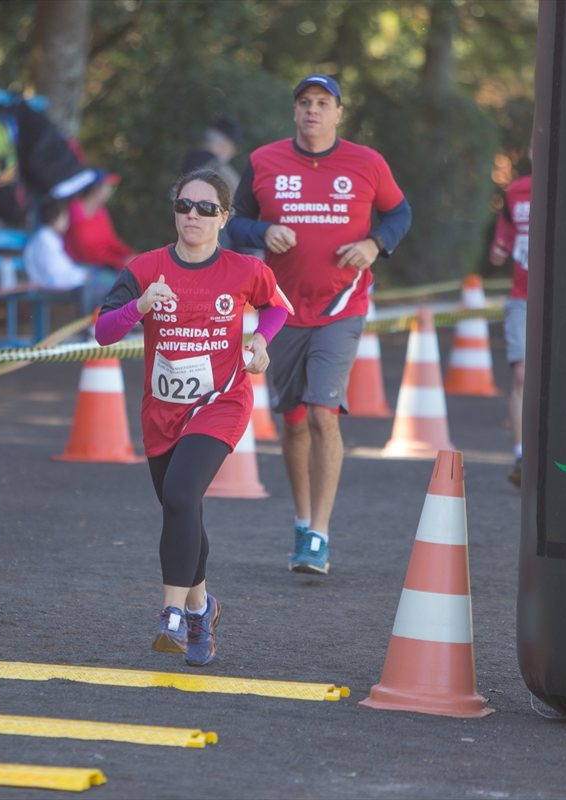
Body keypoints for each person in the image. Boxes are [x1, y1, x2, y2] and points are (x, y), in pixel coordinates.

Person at [94, 168, 293, 667]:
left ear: (225, 218)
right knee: (180, 509)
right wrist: (139, 306)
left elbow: (278, 307)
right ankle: (204, 608)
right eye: (185, 206)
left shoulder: (244, 270)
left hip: (221, 402)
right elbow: (103, 331)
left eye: (206, 208)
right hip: (162, 411)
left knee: (183, 494)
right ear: (174, 211)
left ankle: (172, 615)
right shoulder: (145, 268)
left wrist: (260, 340)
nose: (194, 216)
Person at [227, 73, 412, 576]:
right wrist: (263, 230)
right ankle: (302, 519)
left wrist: (375, 244)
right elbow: (235, 220)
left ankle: (320, 536)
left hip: (341, 306)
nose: (312, 110)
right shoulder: (264, 161)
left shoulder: (366, 162)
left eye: (323, 103)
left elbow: (400, 213)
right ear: (294, 112)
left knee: (321, 414)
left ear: (338, 113)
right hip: (280, 307)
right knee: (291, 421)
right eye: (304, 102)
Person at [489, 160, 532, 488]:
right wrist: (500, 248)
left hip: (563, 301)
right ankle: (521, 455)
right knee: (521, 374)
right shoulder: (516, 191)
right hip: (521, 296)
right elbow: (502, 239)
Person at [22, 198, 109, 312]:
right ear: (55, 219)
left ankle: (99, 321)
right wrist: (81, 276)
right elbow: (54, 273)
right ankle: (89, 325)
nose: (67, 221)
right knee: (91, 286)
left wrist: (81, 274)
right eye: (64, 218)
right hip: (46, 283)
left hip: (54, 279)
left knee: (98, 281)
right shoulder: (45, 240)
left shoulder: (49, 237)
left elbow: (62, 266)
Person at [63, 168, 135, 270]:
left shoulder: (101, 212)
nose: (111, 190)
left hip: (103, 265)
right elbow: (84, 250)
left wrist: (130, 255)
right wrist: (118, 262)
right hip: (78, 267)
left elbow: (110, 240)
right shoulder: (75, 209)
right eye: (108, 186)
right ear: (96, 189)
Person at [181, 116, 243, 197]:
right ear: (224, 144)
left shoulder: (187, 162)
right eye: (233, 148)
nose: (233, 153)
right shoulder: (225, 175)